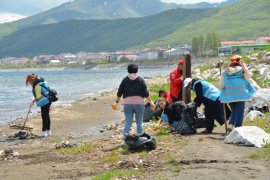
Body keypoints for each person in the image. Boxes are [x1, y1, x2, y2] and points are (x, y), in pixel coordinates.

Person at [115, 64, 155, 144]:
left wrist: (116, 102)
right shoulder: (140, 80)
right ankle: (140, 139)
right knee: (139, 122)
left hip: (128, 104)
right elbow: (145, 92)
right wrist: (151, 102)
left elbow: (120, 92)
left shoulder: (125, 80)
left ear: (128, 70)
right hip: (139, 104)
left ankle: (124, 141)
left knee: (128, 122)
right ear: (137, 70)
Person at [219, 55, 256, 128]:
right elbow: (249, 76)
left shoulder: (225, 72)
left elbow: (221, 85)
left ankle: (231, 124)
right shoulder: (242, 70)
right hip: (241, 94)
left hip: (230, 95)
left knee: (234, 110)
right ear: (240, 62)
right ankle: (238, 128)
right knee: (239, 112)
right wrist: (244, 66)